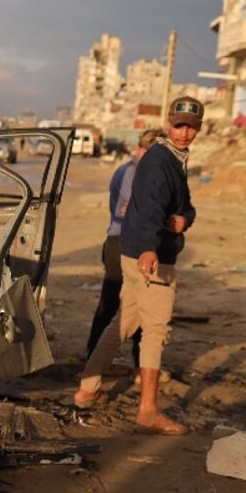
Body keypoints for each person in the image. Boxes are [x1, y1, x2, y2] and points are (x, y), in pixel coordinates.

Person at [73, 97, 201, 435]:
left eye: (191, 127)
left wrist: (184, 220)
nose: (184, 133)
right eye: (179, 125)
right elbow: (147, 209)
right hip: (150, 255)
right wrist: (149, 249)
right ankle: (147, 411)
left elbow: (185, 206)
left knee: (124, 323)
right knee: (155, 331)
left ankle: (87, 388)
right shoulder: (161, 161)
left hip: (135, 253)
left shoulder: (173, 158)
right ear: (168, 124)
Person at [84, 129, 161, 365]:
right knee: (111, 302)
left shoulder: (141, 171)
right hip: (120, 242)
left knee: (140, 303)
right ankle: (93, 358)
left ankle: (139, 361)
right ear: (141, 149)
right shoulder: (131, 172)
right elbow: (133, 210)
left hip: (132, 242)